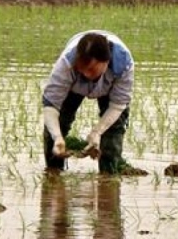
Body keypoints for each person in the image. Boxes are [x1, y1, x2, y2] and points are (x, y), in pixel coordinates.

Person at [42, 30, 142, 175]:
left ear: (106, 62)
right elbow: (51, 105)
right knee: (58, 126)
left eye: (92, 69)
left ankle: (109, 177)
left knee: (113, 130)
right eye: (83, 69)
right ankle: (53, 174)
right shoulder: (66, 64)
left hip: (109, 88)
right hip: (73, 87)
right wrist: (57, 137)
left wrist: (96, 133)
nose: (87, 74)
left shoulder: (123, 63)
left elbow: (118, 105)